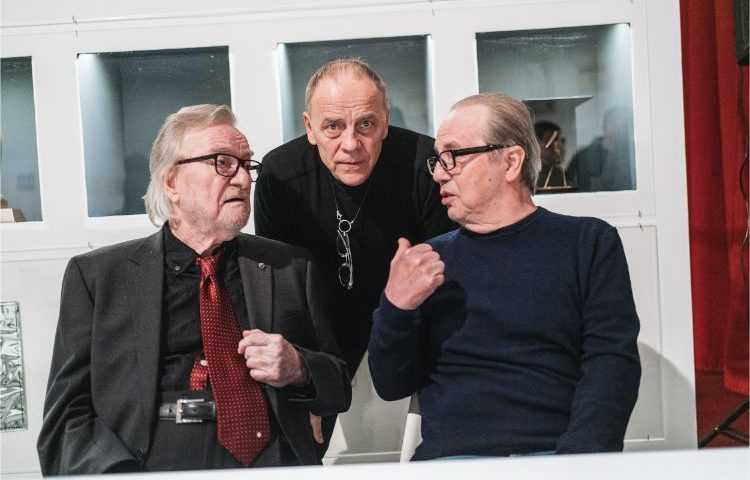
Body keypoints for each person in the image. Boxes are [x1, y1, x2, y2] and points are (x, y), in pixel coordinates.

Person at [37, 105, 351, 475]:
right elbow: (67, 421)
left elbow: (339, 387)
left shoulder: (290, 267)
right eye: (223, 163)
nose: (243, 180)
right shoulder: (99, 278)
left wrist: (299, 367)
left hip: (272, 462)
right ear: (172, 182)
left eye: (246, 165)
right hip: (149, 463)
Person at [368, 93, 641, 459]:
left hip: (556, 457)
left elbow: (611, 364)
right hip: (453, 463)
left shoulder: (587, 243)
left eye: (453, 155)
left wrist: (578, 464)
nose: (438, 173)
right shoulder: (427, 262)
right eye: (438, 159)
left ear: (511, 162)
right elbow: (390, 384)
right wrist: (395, 307)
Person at [254, 58, 454, 376]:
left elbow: (443, 279)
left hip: (409, 322)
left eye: (366, 124)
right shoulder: (280, 176)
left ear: (385, 122)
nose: (350, 145)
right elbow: (278, 290)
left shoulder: (426, 166)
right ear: (309, 128)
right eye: (333, 126)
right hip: (317, 332)